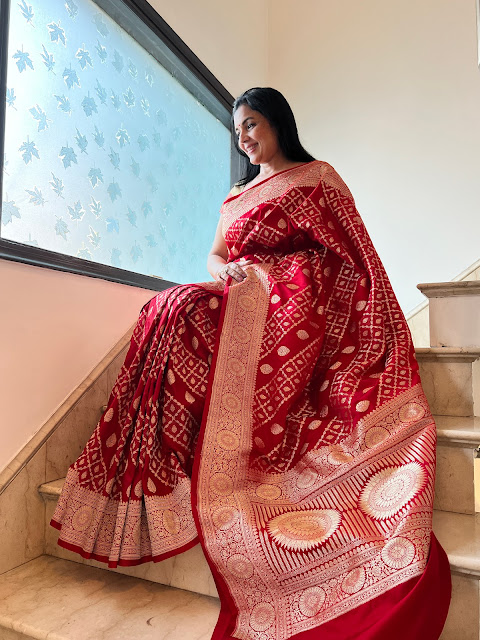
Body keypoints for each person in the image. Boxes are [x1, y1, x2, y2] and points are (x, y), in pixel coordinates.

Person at [51, 87, 451, 639]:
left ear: (278, 124)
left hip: (294, 304)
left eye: (253, 125)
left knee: (182, 306)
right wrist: (227, 272)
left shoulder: (317, 178)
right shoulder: (235, 195)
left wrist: (287, 285)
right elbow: (215, 254)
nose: (245, 138)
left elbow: (352, 254)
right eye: (238, 131)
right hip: (244, 294)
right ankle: (174, 460)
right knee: (170, 304)